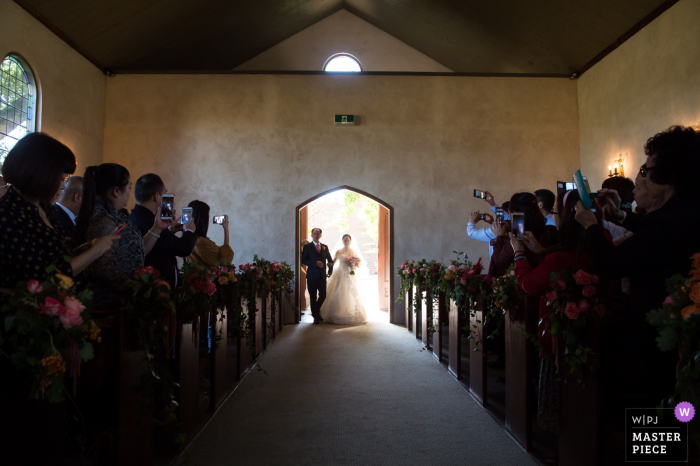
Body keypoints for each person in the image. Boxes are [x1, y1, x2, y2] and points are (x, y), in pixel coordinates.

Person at [575, 125, 700, 407]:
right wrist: (621, 216)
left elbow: (610, 264)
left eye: (647, 168)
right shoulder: (686, 210)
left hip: (660, 328)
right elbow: (652, 237)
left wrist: (591, 227)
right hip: (679, 324)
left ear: (667, 173)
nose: (643, 174)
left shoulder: (667, 220)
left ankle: (658, 453)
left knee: (659, 401)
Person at [510, 189, 609, 434]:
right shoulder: (601, 242)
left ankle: (564, 444)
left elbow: (530, 284)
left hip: (562, 335)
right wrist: (540, 252)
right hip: (601, 329)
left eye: (557, 213)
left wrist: (520, 254)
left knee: (563, 399)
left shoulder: (561, 255)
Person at [0, 134, 117, 293]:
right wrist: (95, 251)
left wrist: (83, 249)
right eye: (61, 179)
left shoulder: (46, 208)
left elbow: (55, 258)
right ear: (39, 175)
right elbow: (44, 280)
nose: (63, 187)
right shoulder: (8, 215)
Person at [75, 163, 168, 309]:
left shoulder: (113, 216)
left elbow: (133, 251)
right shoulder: (104, 221)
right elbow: (105, 271)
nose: (130, 193)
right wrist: (146, 291)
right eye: (129, 188)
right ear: (116, 191)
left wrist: (157, 229)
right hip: (112, 307)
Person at [130, 174, 197, 287]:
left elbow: (158, 243)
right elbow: (183, 249)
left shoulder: (134, 216)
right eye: (165, 194)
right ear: (157, 196)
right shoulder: (151, 221)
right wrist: (189, 230)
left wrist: (169, 231)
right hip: (157, 289)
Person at [484, 192, 546, 285]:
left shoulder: (519, 236)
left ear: (515, 214)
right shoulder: (546, 230)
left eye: (510, 212)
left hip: (520, 284)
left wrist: (499, 237)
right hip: (542, 279)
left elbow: (499, 262)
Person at [319, 234, 368, 325]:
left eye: (348, 240)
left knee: (351, 291)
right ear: (342, 241)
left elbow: (357, 262)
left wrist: (354, 263)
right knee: (338, 290)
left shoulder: (353, 251)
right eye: (345, 240)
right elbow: (334, 261)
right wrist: (329, 265)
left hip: (350, 273)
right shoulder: (339, 251)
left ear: (350, 241)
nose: (346, 242)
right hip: (340, 272)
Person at [187, 200, 234, 268]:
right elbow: (225, 257)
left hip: (189, 278)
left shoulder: (186, 239)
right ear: (203, 220)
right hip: (204, 278)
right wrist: (226, 229)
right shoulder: (202, 242)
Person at [301, 228, 334, 324]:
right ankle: (316, 316)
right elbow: (304, 260)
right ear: (311, 235)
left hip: (322, 276)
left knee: (323, 295)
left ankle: (315, 312)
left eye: (318, 233)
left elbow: (330, 260)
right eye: (314, 233)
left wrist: (330, 269)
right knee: (313, 296)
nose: (316, 235)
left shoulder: (325, 247)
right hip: (311, 276)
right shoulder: (307, 247)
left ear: (320, 235)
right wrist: (315, 263)